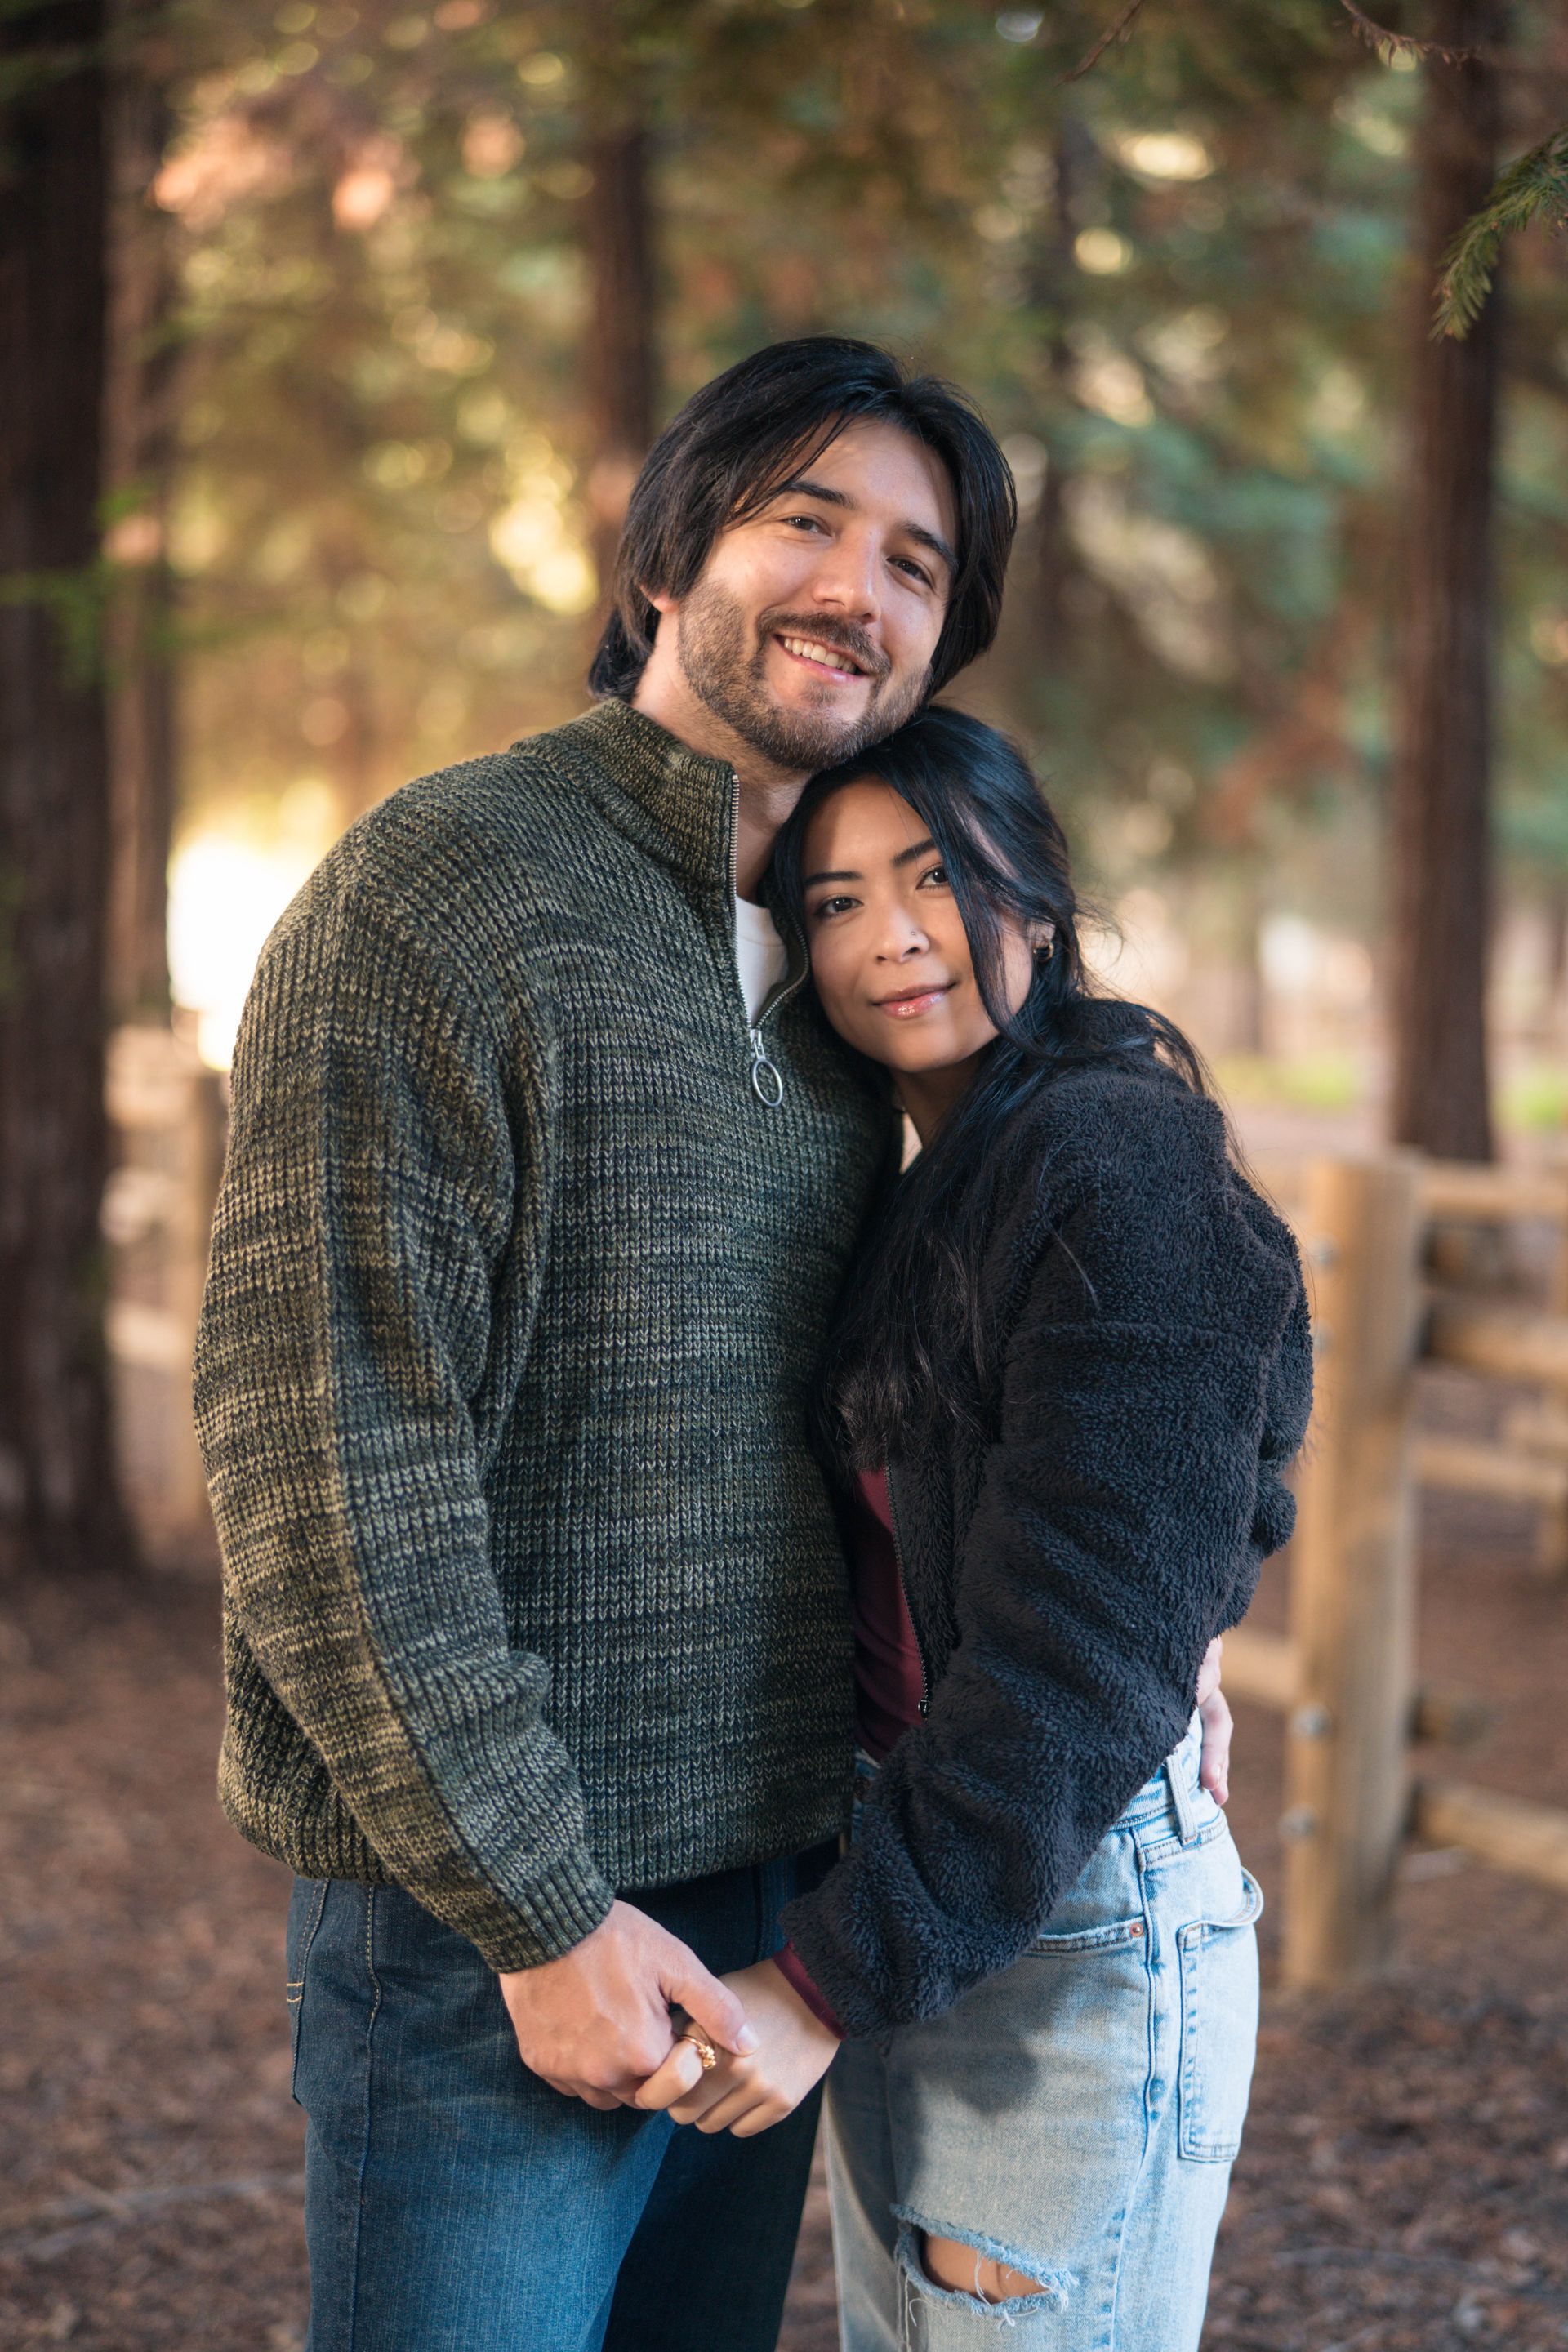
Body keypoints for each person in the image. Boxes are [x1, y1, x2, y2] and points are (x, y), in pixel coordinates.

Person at [193, 336, 1027, 2352]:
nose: (857, 588)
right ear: (667, 561)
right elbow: (324, 1461)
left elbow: (957, 1383)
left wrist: (1155, 1640)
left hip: (771, 1898)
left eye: (915, 562)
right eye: (805, 520)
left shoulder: (858, 973)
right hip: (484, 1930)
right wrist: (538, 1909)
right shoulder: (442, 897)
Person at [632, 705, 1312, 2352]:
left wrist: (821, 1983)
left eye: (934, 876)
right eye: (838, 900)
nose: (892, 936)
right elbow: (1174, 1487)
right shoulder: (943, 1171)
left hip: (1057, 1916)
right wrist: (1185, 1616)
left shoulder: (1115, 1158)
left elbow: (1085, 1637)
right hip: (932, 1876)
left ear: (1037, 896)